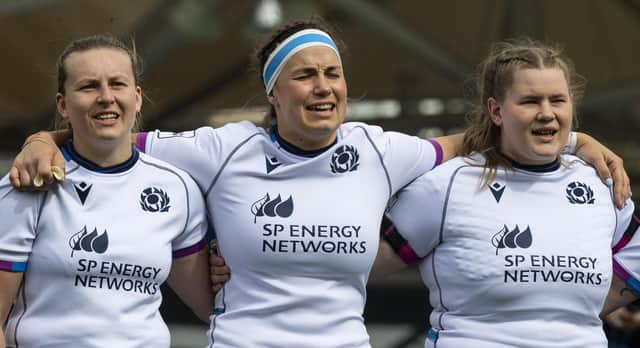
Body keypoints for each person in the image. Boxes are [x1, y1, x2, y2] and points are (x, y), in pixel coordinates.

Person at [7, 22, 631, 347]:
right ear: (274, 91)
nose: (323, 87)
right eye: (304, 75)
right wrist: (41, 140)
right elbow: (111, 137)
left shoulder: (380, 151)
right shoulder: (223, 149)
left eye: (332, 73)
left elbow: (482, 137)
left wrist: (578, 143)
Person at [379, 40, 640, 347]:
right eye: (530, 101)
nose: (546, 113)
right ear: (496, 110)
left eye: (557, 100)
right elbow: (354, 266)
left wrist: (575, 306)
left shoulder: (600, 182)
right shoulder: (447, 185)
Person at [0, 34, 212, 348]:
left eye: (117, 84)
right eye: (88, 86)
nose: (105, 97)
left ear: (137, 97)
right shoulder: (27, 183)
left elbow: (213, 306)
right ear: (62, 104)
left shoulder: (177, 187)